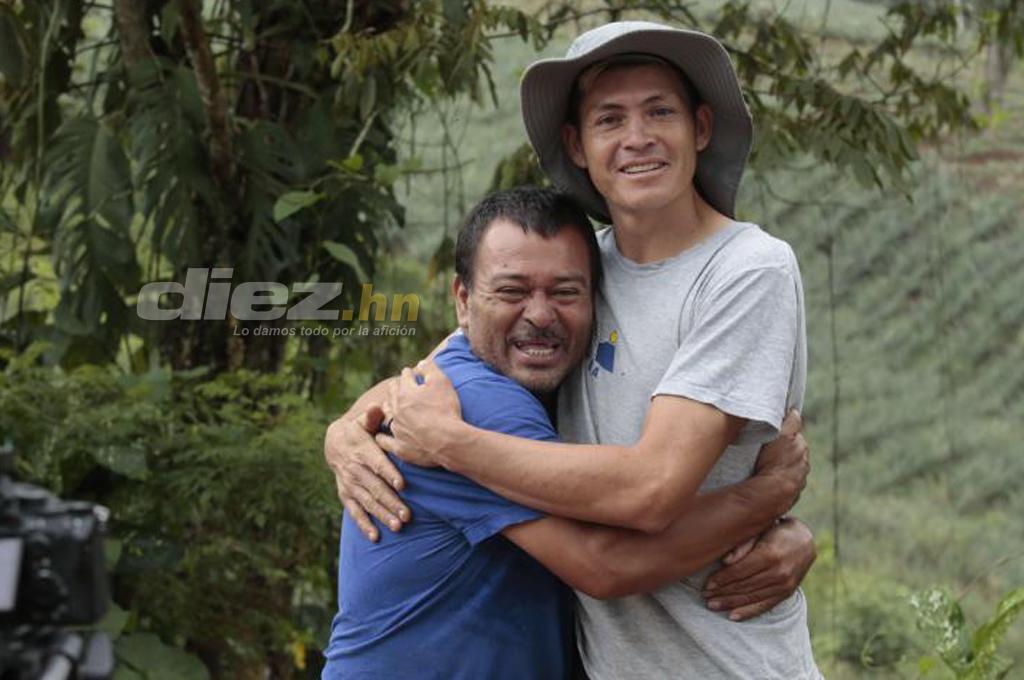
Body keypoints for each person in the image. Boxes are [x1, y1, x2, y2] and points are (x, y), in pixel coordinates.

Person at [328, 20, 822, 679]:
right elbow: (455, 363)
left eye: (660, 112)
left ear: (700, 129)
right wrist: (346, 429)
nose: (637, 137)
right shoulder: (585, 273)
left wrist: (446, 441)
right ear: (578, 145)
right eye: (610, 118)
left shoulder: (744, 271)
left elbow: (652, 489)